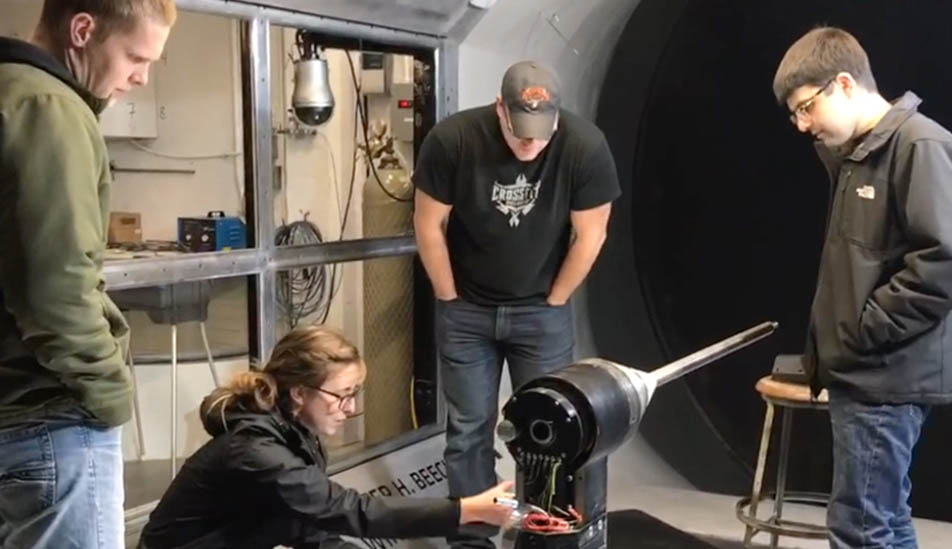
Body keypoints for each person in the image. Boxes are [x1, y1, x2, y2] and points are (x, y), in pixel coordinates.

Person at [412, 59, 620, 548]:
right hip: (467, 310)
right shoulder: (453, 141)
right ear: (500, 109)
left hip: (539, 315)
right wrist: (447, 295)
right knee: (469, 430)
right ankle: (473, 539)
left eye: (540, 134)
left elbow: (591, 235)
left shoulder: (584, 147)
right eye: (519, 132)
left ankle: (543, 536)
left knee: (553, 428)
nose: (529, 145)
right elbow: (428, 224)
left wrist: (556, 300)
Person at [0, 1, 175, 547]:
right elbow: (56, 287)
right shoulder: (49, 108)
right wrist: (109, 396)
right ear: (82, 29)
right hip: (47, 416)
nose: (141, 77)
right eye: (135, 57)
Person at [773, 27, 952, 549]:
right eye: (794, 114)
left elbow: (942, 259)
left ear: (845, 84)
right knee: (885, 521)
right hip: (868, 371)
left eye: (807, 107)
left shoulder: (919, 145)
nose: (802, 124)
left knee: (861, 528)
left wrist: (864, 332)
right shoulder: (860, 154)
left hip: (884, 375)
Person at [140, 325, 515, 549]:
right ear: (299, 393)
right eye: (342, 395)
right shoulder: (256, 450)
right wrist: (467, 509)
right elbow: (346, 510)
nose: (350, 408)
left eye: (354, 394)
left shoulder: (292, 433)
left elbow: (311, 527)